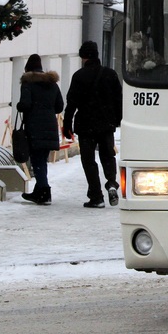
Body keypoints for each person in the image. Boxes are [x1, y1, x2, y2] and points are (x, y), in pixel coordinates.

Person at [63, 40, 123, 208]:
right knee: (108, 156)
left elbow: (72, 103)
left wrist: (67, 125)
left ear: (84, 57)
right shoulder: (110, 74)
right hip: (106, 124)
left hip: (86, 125)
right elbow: (119, 99)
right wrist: (117, 119)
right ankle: (111, 183)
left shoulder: (79, 76)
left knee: (88, 160)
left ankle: (96, 196)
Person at [17, 54, 64, 205]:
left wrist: (19, 106)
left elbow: (25, 105)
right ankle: (39, 191)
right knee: (41, 160)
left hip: (34, 127)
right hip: (50, 126)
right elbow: (59, 107)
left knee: (38, 160)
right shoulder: (52, 84)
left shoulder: (27, 83)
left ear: (27, 69)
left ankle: (44, 192)